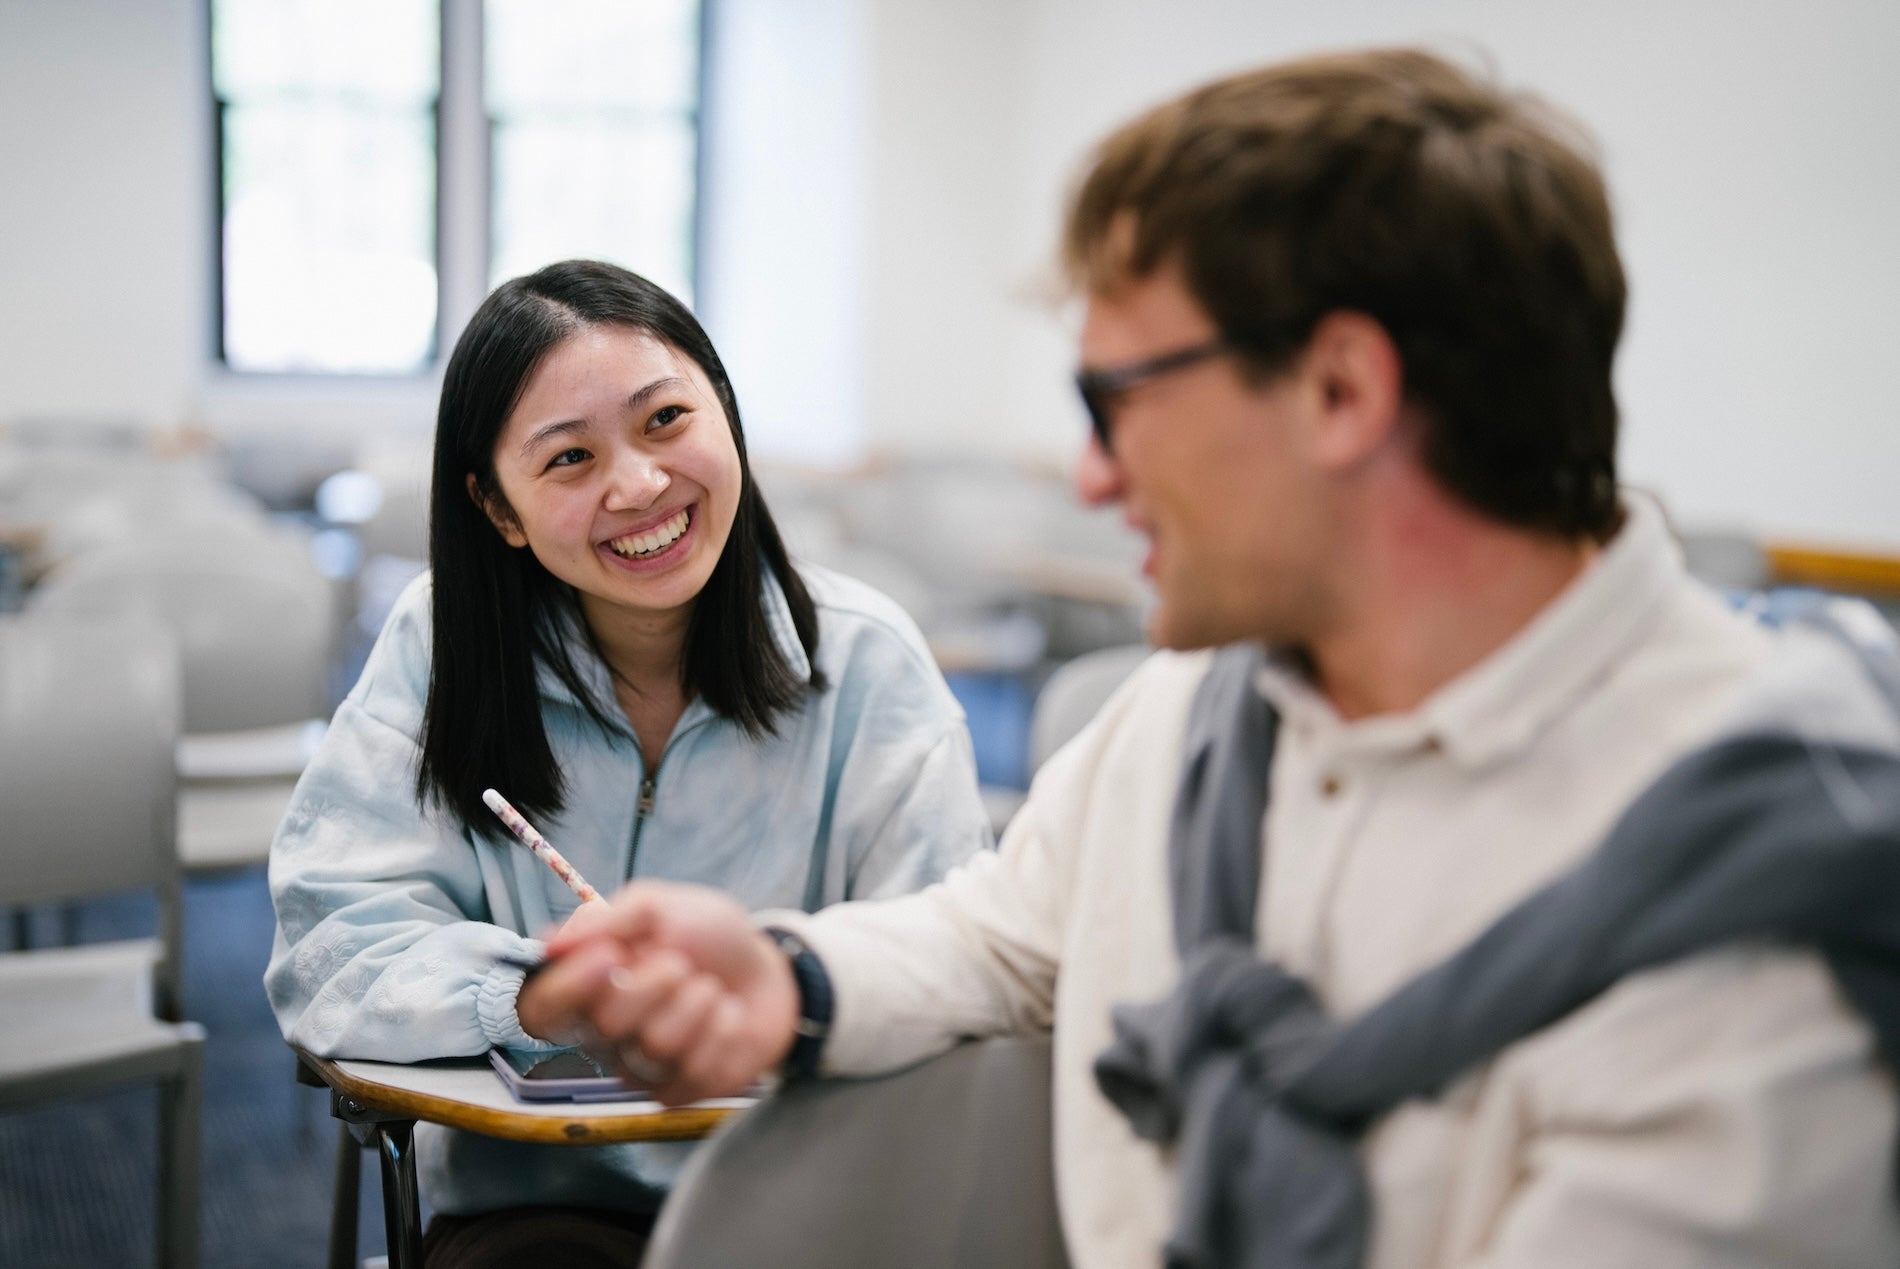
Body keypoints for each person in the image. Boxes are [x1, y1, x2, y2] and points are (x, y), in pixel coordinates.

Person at [520, 50, 1900, 1268]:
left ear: (1341, 391)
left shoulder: (1760, 904)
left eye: (1112, 401)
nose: (1089, 474)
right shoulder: (1209, 696)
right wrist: (791, 977)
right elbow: (1012, 933)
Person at [263, 259, 992, 1266]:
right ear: (498, 509)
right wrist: (532, 999)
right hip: (544, 1205)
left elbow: (949, 962)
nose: (640, 484)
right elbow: (329, 945)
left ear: (724, 416)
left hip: (804, 1194)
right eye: (568, 459)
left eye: (664, 422)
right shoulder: (445, 647)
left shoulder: (866, 660)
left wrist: (777, 1000)